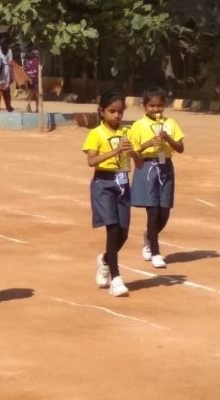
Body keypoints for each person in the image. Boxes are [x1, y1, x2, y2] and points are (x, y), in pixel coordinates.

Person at [81, 91, 141, 297]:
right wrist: (115, 151)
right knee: (113, 229)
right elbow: (91, 161)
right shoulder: (96, 133)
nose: (116, 115)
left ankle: (105, 260)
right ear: (102, 111)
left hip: (122, 183)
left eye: (120, 111)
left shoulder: (127, 132)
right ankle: (116, 279)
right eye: (112, 111)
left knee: (123, 233)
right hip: (104, 183)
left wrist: (133, 152)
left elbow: (139, 163)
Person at [129, 87, 185, 269]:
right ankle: (155, 252)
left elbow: (180, 148)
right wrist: (148, 143)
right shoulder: (138, 125)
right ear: (144, 106)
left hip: (165, 166)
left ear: (164, 105)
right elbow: (132, 151)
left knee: (164, 212)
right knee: (152, 211)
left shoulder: (171, 123)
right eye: (151, 106)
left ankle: (149, 235)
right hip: (147, 167)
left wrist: (167, 138)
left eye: (159, 106)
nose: (155, 109)